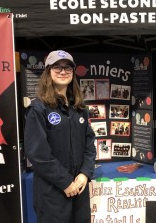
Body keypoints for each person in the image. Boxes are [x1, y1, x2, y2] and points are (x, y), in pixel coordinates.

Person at [24, 50, 96, 223]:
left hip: (79, 189)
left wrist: (85, 173)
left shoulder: (80, 108)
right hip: (53, 192)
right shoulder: (38, 109)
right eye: (57, 67)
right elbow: (38, 154)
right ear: (48, 71)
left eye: (67, 68)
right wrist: (65, 182)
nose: (63, 72)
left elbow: (90, 144)